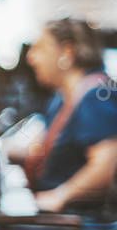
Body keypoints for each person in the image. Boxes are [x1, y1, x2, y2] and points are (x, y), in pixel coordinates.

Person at [14, 18, 117, 212]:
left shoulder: (96, 97)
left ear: (67, 52)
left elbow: (106, 163)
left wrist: (60, 196)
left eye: (40, 48)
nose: (30, 57)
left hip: (81, 228)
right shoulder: (61, 99)